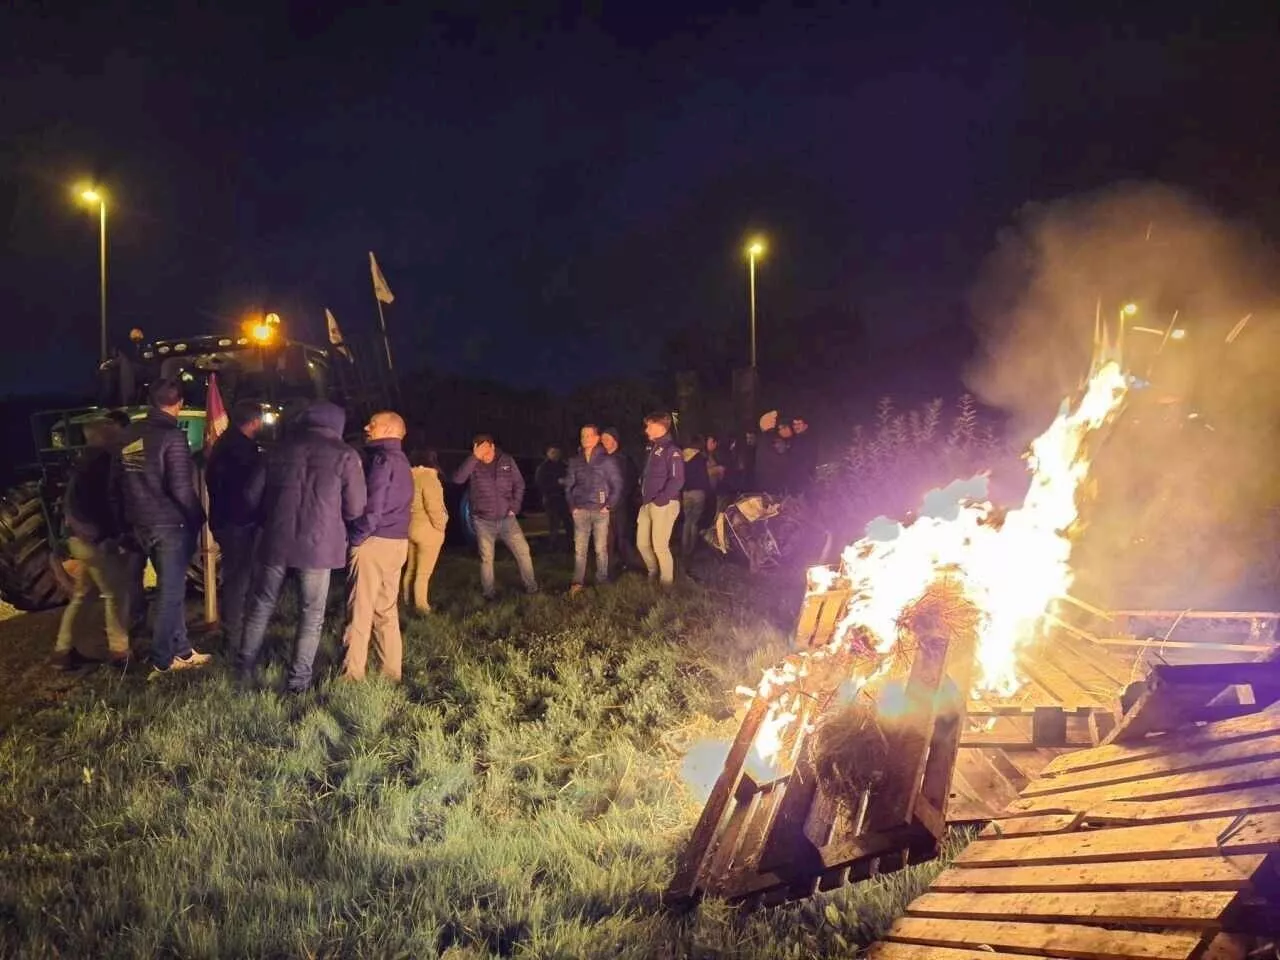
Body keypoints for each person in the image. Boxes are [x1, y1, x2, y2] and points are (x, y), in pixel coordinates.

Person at [237, 401, 366, 692]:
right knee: (311, 614)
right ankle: (298, 681)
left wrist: (269, 517)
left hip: (275, 540)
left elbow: (250, 496)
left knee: (260, 606)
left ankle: (243, 669)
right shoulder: (346, 455)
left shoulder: (278, 450)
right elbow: (356, 508)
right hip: (318, 547)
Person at [113, 379, 212, 678]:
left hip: (141, 524)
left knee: (173, 591)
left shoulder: (130, 434)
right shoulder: (172, 437)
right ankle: (162, 660)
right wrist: (198, 517)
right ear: (178, 403)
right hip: (170, 525)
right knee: (170, 594)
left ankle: (182, 649)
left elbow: (121, 483)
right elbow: (181, 488)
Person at [53, 415, 131, 669]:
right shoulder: (102, 464)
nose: (120, 436)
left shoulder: (82, 463)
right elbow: (103, 505)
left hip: (78, 538)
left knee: (83, 594)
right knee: (116, 593)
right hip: (94, 540)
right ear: (104, 435)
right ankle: (120, 653)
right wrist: (110, 536)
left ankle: (63, 651)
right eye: (115, 432)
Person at [343, 411, 413, 682]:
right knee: (386, 609)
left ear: (387, 429)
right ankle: (391, 673)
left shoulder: (382, 460)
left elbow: (373, 507)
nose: (366, 427)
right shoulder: (402, 460)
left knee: (359, 610)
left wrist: (357, 537)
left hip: (375, 542)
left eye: (371, 424)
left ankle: (352, 675)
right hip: (397, 543)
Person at [205, 399, 263, 658]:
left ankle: (235, 634)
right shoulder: (244, 451)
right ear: (254, 422)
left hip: (223, 519)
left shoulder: (222, 445)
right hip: (240, 522)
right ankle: (235, 639)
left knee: (235, 578)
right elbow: (251, 492)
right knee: (238, 580)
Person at [454, 434, 538, 599]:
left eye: (485, 448)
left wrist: (515, 507)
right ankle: (489, 593)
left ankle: (531, 587)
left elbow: (519, 484)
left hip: (507, 518)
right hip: (483, 520)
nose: (483, 453)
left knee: (523, 551)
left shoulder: (506, 461)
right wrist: (474, 457)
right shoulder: (473, 464)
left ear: (492, 447)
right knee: (487, 558)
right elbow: (458, 479)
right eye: (479, 449)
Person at [564, 423, 622, 594]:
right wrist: (572, 506)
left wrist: (609, 504)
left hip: (600, 511)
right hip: (580, 510)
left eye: (589, 435)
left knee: (600, 549)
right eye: (583, 436)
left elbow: (617, 485)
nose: (585, 439)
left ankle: (602, 579)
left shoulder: (607, 460)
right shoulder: (575, 461)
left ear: (597, 438)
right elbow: (568, 485)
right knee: (580, 550)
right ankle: (577, 582)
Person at [636, 411, 685, 585]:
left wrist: (661, 499)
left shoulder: (672, 450)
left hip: (663, 504)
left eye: (649, 425)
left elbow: (677, 480)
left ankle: (666, 584)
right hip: (647, 504)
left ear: (659, 426)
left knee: (660, 546)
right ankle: (653, 571)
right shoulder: (652, 448)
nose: (646, 429)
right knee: (642, 544)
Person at [403, 448, 448, 615]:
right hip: (428, 530)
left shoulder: (408, 476)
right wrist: (441, 527)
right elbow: (434, 506)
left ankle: (407, 601)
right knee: (423, 573)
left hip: (410, 527)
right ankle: (422, 607)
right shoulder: (429, 477)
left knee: (411, 568)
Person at [601, 427, 642, 576]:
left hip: (621, 505)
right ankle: (608, 568)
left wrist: (617, 499)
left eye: (607, 439)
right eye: (602, 439)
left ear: (615, 441)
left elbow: (628, 483)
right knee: (607, 538)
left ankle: (629, 564)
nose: (604, 442)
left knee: (622, 535)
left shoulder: (624, 460)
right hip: (603, 506)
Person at [680, 435, 713, 557]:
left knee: (686, 522)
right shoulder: (700, 458)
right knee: (694, 522)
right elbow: (705, 477)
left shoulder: (681, 457)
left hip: (686, 493)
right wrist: (708, 491)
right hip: (698, 493)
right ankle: (691, 550)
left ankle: (684, 549)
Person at [534, 445, 571, 552]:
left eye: (557, 452)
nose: (556, 455)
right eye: (553, 452)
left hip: (563, 499)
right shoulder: (543, 468)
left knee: (568, 524)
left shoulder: (563, 466)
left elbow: (570, 478)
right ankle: (552, 547)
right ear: (548, 453)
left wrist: (566, 482)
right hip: (551, 499)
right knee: (554, 524)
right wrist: (557, 483)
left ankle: (570, 546)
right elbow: (541, 483)